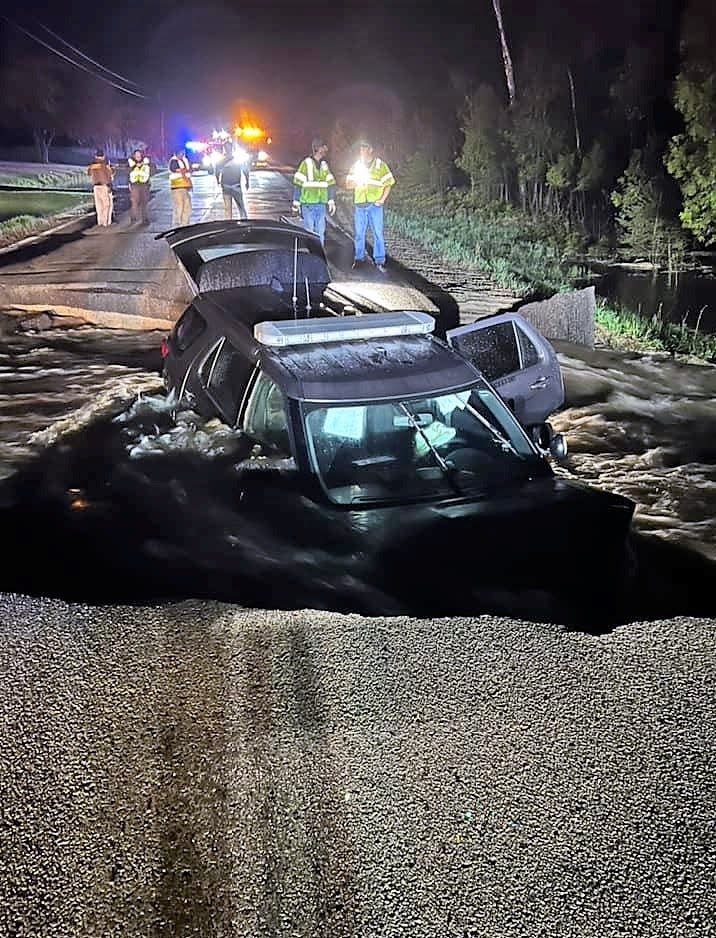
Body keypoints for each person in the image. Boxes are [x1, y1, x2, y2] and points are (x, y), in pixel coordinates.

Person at [345, 139, 395, 272]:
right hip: (360, 204)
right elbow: (348, 184)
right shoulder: (356, 166)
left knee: (378, 233)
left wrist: (382, 200)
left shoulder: (380, 165)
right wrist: (356, 182)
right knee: (359, 234)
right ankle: (359, 259)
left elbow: (389, 183)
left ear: (370, 149)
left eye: (364, 148)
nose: (361, 151)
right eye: (360, 148)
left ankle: (379, 261)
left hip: (375, 206)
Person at [292, 138, 336, 246]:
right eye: (324, 147)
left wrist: (331, 201)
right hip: (308, 205)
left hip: (320, 205)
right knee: (310, 232)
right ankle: (311, 256)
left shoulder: (324, 165)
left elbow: (330, 184)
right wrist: (296, 203)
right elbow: (298, 184)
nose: (326, 149)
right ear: (318, 148)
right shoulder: (306, 164)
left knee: (320, 233)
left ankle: (319, 257)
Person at [87, 148, 114, 227]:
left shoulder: (92, 165)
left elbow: (88, 173)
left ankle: (100, 222)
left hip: (95, 186)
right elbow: (109, 175)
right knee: (106, 205)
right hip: (103, 186)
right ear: (103, 156)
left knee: (99, 205)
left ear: (96, 156)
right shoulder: (104, 164)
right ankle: (106, 222)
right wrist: (109, 186)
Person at [217, 154, 249, 220]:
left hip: (226, 186)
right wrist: (247, 181)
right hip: (235, 186)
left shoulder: (222, 160)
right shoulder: (237, 159)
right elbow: (245, 170)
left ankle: (228, 223)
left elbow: (217, 171)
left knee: (228, 208)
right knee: (240, 207)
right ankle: (244, 222)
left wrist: (218, 180)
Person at [168, 148, 192, 227]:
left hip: (185, 187)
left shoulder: (184, 160)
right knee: (179, 206)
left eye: (183, 153)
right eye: (181, 153)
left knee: (187, 206)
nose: (183, 154)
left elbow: (187, 172)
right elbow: (177, 170)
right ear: (177, 153)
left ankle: (185, 224)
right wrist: (185, 171)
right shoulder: (174, 161)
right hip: (177, 187)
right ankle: (177, 224)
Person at [127, 148, 151, 224]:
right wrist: (134, 166)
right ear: (134, 156)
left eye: (139, 154)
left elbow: (152, 170)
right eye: (136, 155)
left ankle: (145, 219)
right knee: (135, 202)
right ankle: (134, 217)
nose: (138, 156)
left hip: (144, 184)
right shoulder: (130, 163)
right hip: (135, 185)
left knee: (144, 202)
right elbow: (127, 172)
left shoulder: (146, 163)